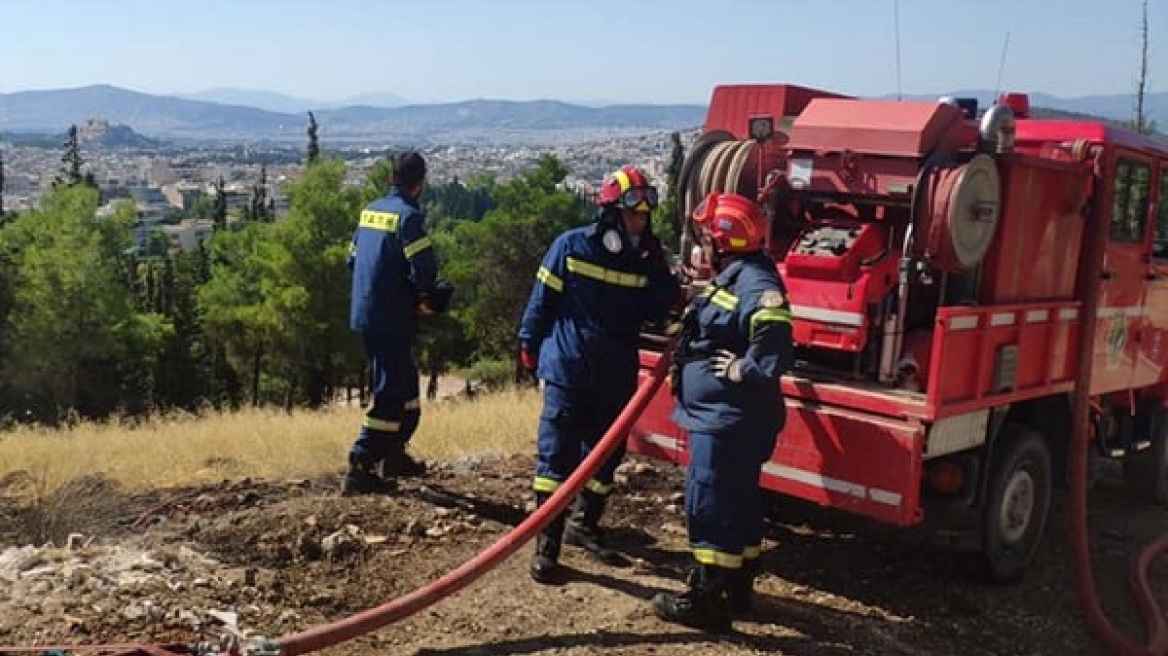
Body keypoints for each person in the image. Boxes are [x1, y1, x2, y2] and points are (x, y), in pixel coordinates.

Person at [518, 165, 681, 584]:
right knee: (556, 460)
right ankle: (547, 546)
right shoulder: (570, 247)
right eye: (633, 214)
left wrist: (657, 268)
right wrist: (528, 347)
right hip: (570, 371)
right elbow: (541, 302)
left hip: (615, 375)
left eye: (645, 216)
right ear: (610, 213)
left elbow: (662, 308)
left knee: (607, 456)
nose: (640, 222)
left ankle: (585, 525)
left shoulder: (645, 256)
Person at [652, 191, 794, 632]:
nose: (704, 245)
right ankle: (737, 590)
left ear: (726, 241)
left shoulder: (754, 283)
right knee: (739, 503)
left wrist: (742, 369)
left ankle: (706, 600)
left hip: (728, 419)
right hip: (726, 416)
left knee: (711, 503)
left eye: (709, 237)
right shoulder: (738, 275)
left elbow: (774, 341)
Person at [344, 151, 452, 496]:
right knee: (391, 395)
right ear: (420, 183)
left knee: (406, 390)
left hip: (368, 312)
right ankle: (360, 464)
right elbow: (424, 270)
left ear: (393, 177)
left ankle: (393, 454)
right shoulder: (409, 217)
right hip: (390, 317)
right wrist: (428, 299)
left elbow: (352, 260)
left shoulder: (370, 211)